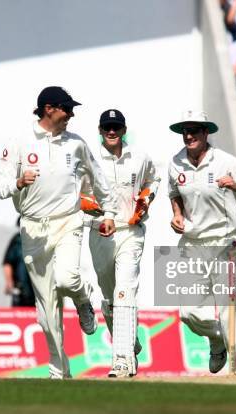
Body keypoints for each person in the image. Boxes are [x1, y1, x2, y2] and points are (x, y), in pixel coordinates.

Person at [0, 86, 117, 379]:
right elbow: (0, 187)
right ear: (49, 109)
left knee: (67, 278)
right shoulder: (19, 142)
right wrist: (18, 183)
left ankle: (83, 300)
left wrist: (110, 211)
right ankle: (58, 370)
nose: (71, 114)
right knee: (47, 308)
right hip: (33, 227)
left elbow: (98, 180)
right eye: (67, 109)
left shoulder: (76, 144)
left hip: (68, 220)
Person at [168, 110, 236, 374]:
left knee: (229, 313)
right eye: (185, 131)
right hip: (191, 244)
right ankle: (216, 339)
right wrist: (177, 215)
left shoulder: (225, 162)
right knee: (188, 313)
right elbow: (174, 192)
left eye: (194, 130)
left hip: (225, 244)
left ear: (206, 133)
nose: (188, 135)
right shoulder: (176, 163)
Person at [82, 109, 160, 378]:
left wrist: (145, 201)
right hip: (99, 232)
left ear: (124, 129)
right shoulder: (89, 159)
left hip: (130, 231)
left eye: (116, 127)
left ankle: (123, 361)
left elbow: (153, 181)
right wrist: (97, 211)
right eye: (107, 128)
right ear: (100, 130)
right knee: (109, 297)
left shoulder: (140, 157)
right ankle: (130, 341)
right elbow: (78, 194)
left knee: (125, 290)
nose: (111, 131)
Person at [3, 217, 36, 307]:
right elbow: (8, 262)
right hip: (21, 289)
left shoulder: (41, 240)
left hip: (39, 289)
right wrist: (9, 282)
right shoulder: (17, 241)